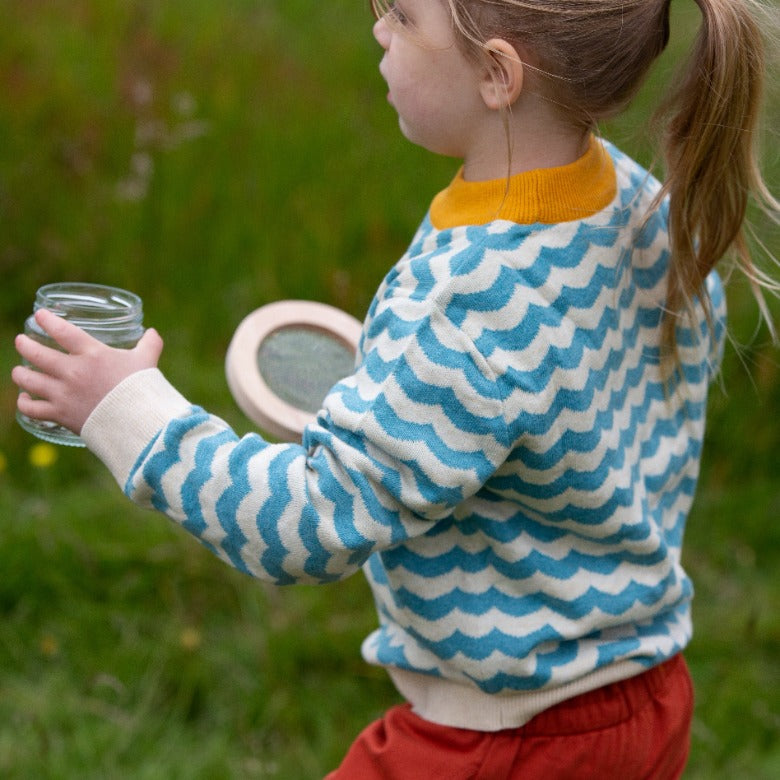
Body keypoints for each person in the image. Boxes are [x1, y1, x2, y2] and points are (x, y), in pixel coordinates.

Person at [12, 0, 778, 777]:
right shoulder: (637, 204)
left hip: (509, 739)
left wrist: (127, 409)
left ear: (497, 74)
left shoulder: (466, 302)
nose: (377, 29)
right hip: (646, 699)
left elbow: (310, 522)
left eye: (403, 16)